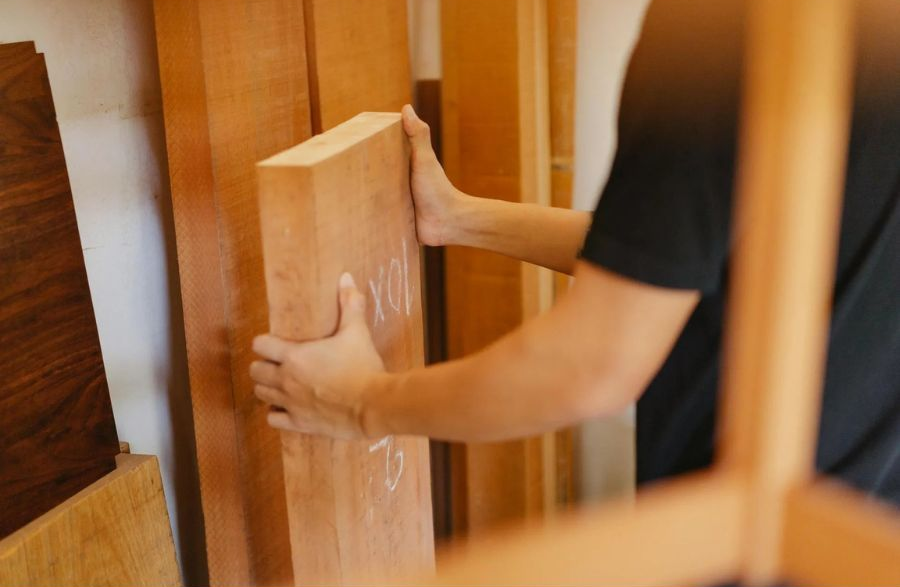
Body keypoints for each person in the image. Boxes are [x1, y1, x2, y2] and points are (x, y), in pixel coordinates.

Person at [250, 0, 900, 505]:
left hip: (744, 545)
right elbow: (691, 256)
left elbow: (594, 364)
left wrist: (360, 401)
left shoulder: (721, 29)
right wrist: (462, 218)